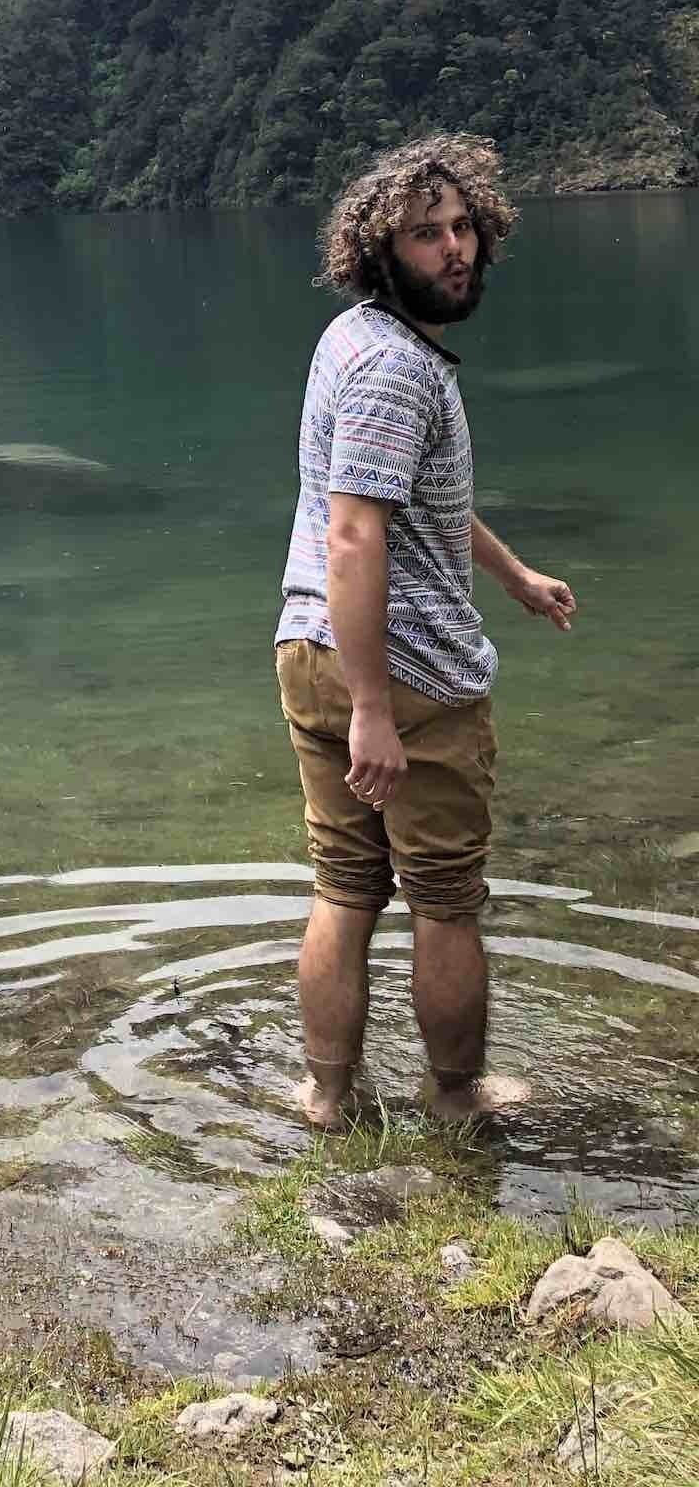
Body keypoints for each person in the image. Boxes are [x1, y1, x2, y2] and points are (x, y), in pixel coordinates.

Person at [275, 133, 576, 1130]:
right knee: (445, 900)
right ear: (379, 252)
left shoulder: (353, 338)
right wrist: (374, 707)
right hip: (404, 676)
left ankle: (327, 1097)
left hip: (310, 648)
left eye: (461, 227)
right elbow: (356, 533)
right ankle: (455, 1098)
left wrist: (514, 574)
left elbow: (413, 501)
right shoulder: (396, 370)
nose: (454, 249)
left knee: (345, 886)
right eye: (425, 234)